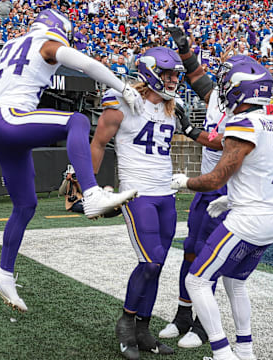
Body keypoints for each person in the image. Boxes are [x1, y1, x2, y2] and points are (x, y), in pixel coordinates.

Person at [0, 9, 143, 313]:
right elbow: (86, 64)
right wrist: (123, 86)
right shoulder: (48, 43)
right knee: (75, 121)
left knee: (26, 205)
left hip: (3, 125)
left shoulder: (9, 46)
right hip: (11, 118)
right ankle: (90, 193)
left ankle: (4, 274)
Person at [171, 55, 273, 360]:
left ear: (239, 89)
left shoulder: (243, 121)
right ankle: (245, 349)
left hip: (246, 223)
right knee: (235, 282)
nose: (223, 86)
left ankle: (222, 353)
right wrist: (232, 199)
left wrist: (185, 182)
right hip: (270, 219)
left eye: (228, 81)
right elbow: (260, 171)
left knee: (196, 280)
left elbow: (216, 178)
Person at [159, 27, 259, 352]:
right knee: (189, 248)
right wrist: (185, 48)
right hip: (206, 188)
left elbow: (222, 141)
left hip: (225, 190)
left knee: (207, 255)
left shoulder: (246, 107)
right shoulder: (217, 94)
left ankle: (203, 326)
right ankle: (183, 314)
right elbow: (195, 73)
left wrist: (189, 130)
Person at [90, 46, 186, 360]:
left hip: (165, 195)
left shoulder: (174, 108)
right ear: (149, 72)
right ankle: (126, 322)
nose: (173, 80)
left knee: (157, 267)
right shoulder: (122, 103)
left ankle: (143, 331)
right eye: (168, 73)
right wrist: (89, 188)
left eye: (175, 74)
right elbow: (98, 143)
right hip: (136, 194)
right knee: (150, 262)